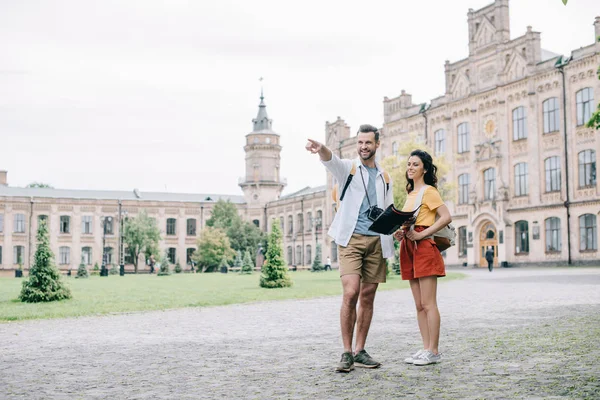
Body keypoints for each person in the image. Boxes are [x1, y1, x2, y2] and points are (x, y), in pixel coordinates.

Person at [306, 124, 394, 373]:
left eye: (368, 142)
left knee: (367, 296)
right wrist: (321, 148)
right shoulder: (349, 169)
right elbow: (330, 160)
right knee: (350, 293)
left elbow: (389, 209)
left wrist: (395, 228)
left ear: (377, 144)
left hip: (377, 240)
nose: (364, 147)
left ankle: (360, 350)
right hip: (351, 240)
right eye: (360, 143)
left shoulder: (385, 177)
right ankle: (346, 352)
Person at [393, 149, 452, 366]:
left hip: (424, 247)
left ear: (425, 169)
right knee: (418, 305)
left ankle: (434, 351)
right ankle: (426, 347)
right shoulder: (410, 195)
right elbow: (409, 223)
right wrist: (401, 233)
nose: (410, 167)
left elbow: (446, 217)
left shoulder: (429, 191)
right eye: (408, 164)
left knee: (428, 303)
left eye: (415, 164)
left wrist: (422, 234)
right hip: (409, 247)